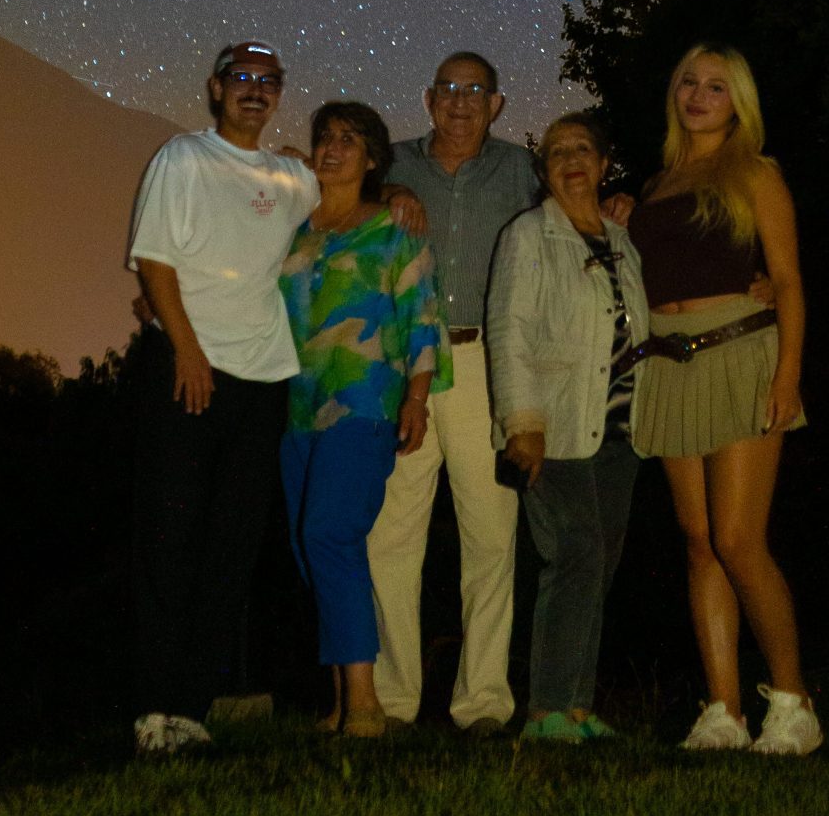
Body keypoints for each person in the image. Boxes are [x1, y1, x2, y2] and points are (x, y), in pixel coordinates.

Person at [369, 49, 626, 732]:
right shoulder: (390, 164)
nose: (461, 102)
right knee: (390, 535)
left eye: (475, 90)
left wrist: (618, 204)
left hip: (484, 361)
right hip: (403, 364)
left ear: (496, 105)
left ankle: (481, 701)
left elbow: (570, 217)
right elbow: (333, 204)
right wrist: (383, 196)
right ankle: (391, 700)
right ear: (429, 99)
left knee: (491, 538)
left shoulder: (519, 169)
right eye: (449, 89)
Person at [126, 40, 318, 756]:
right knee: (170, 540)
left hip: (262, 378)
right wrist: (186, 350)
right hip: (189, 369)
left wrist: (397, 194)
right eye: (241, 77)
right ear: (215, 88)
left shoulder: (290, 177)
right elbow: (154, 262)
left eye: (268, 80)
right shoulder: (182, 158)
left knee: (230, 550)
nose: (254, 90)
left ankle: (191, 711)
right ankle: (153, 708)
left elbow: (345, 193)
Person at [628, 44, 820, 757]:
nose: (698, 95)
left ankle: (794, 704)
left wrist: (787, 375)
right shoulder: (655, 184)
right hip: (669, 363)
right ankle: (722, 712)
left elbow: (787, 279)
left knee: (738, 539)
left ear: (738, 103)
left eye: (715, 86)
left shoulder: (755, 173)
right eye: (688, 82)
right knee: (699, 540)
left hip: (740, 355)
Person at [278, 101, 451, 738]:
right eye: (325, 137)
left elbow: (422, 316)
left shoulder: (393, 226)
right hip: (295, 407)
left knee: (330, 533)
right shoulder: (292, 228)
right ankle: (340, 701)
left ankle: (366, 702)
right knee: (309, 547)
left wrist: (417, 399)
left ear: (373, 158)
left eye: (349, 139)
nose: (332, 147)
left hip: (366, 402)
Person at [488, 113, 650, 743]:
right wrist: (522, 423)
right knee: (574, 554)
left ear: (603, 164)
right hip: (553, 426)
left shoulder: (623, 239)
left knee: (598, 565)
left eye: (583, 149)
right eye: (557, 152)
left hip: (617, 432)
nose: (571, 159)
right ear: (545, 171)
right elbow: (508, 329)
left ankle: (576, 709)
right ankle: (545, 711)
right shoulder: (529, 234)